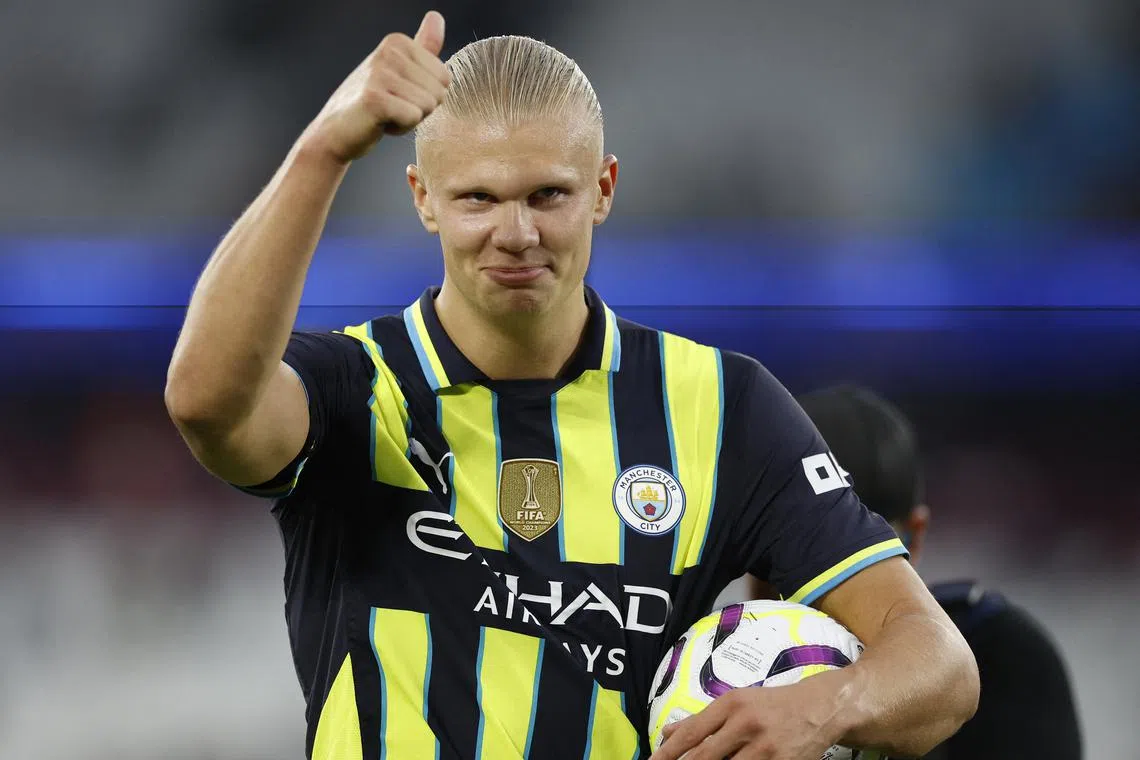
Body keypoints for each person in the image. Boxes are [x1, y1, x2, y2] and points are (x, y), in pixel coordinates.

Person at [165, 11, 978, 760]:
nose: (515, 233)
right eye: (478, 197)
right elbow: (203, 402)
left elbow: (939, 665)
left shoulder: (722, 407)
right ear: (424, 201)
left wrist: (824, 705)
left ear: (604, 190)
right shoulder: (356, 390)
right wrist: (324, 151)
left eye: (547, 194)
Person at [748, 385, 1082, 759]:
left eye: (854, 557)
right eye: (783, 562)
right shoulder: (695, 660)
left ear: (914, 539)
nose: (816, 589)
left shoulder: (998, 656)